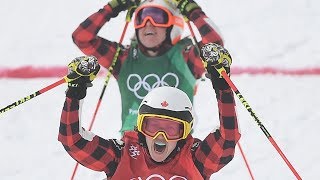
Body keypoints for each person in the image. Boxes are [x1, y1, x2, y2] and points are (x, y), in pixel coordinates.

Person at [58, 43, 241, 179]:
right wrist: (75, 93)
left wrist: (222, 87)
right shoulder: (122, 155)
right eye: (152, 126)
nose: (160, 136)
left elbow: (227, 139)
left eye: (171, 129)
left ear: (184, 134)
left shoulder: (194, 158)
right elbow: (73, 141)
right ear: (139, 127)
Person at [72, 0, 225, 133]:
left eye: (158, 17)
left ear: (173, 26)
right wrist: (113, 7)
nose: (148, 24)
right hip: (132, 149)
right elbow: (82, 38)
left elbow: (214, 45)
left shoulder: (186, 58)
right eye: (141, 18)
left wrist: (192, 10)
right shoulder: (123, 58)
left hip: (177, 147)